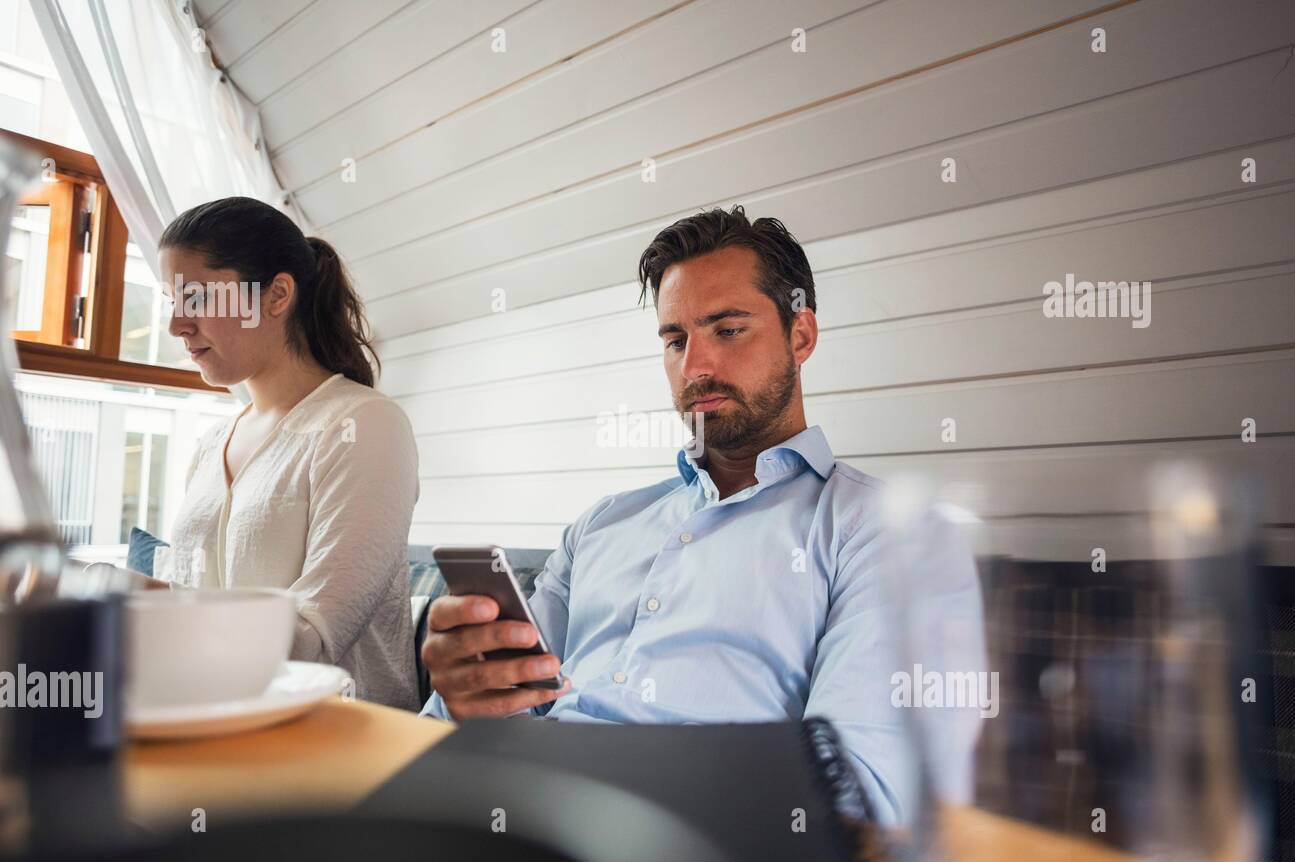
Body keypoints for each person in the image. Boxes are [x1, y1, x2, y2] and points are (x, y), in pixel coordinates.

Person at [419, 206, 984, 822]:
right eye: (674, 339)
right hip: (501, 810)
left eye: (728, 329)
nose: (695, 367)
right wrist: (462, 692)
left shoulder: (884, 531)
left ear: (801, 335)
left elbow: (861, 795)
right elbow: (496, 704)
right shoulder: (602, 524)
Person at [151, 197, 421, 710]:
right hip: (216, 728)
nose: (176, 326)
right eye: (172, 300)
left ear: (276, 295)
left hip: (342, 747)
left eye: (198, 298)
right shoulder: (211, 446)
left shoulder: (363, 425)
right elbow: (188, 601)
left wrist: (132, 611)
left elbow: (311, 641)